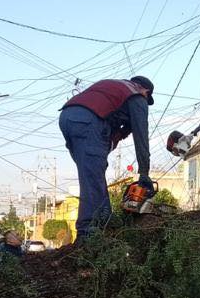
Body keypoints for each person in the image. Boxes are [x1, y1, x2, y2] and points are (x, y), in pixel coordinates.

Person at [59, 76, 155, 237]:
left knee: (93, 174)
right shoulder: (137, 96)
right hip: (88, 121)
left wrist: (119, 134)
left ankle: (105, 221)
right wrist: (144, 172)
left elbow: (114, 129)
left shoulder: (115, 87)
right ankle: (87, 230)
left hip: (67, 117)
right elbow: (141, 137)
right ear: (145, 91)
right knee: (93, 176)